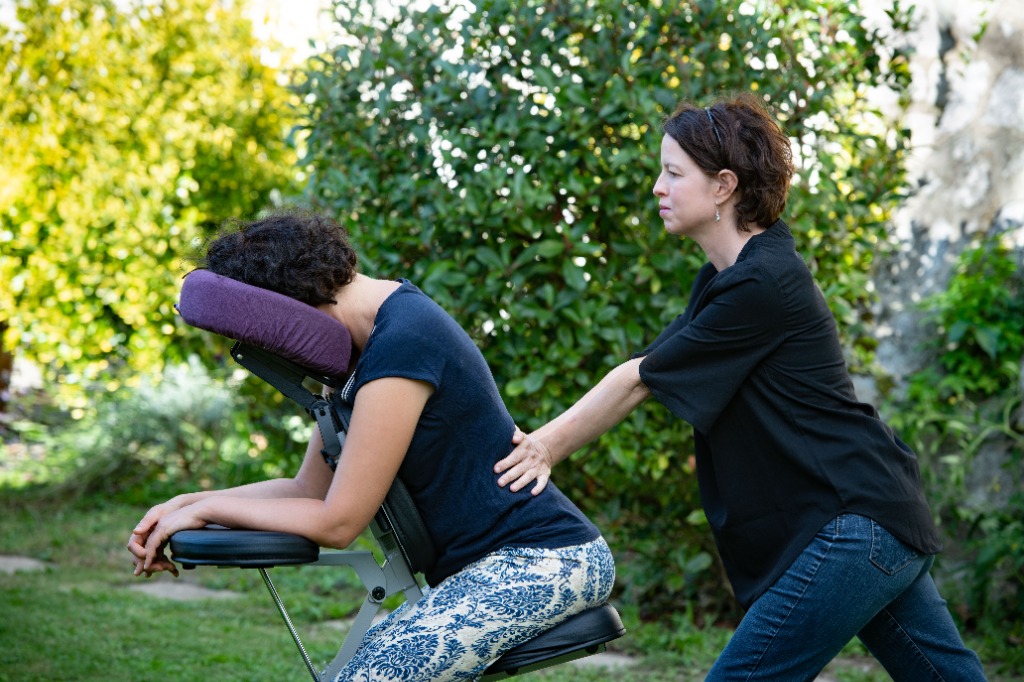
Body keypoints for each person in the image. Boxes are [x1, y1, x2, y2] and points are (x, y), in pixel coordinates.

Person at [494, 93, 986, 681]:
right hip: (875, 520)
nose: (658, 187)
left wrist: (542, 448)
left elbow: (637, 379)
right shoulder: (731, 277)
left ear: (724, 186)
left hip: (856, 528)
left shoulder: (762, 283)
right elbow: (649, 363)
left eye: (674, 173)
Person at [126, 208, 614, 681]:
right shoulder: (361, 356)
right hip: (492, 567)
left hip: (546, 560)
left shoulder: (401, 344)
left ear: (288, 310)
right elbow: (309, 492)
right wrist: (185, 505)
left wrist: (207, 506)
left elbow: (338, 521)